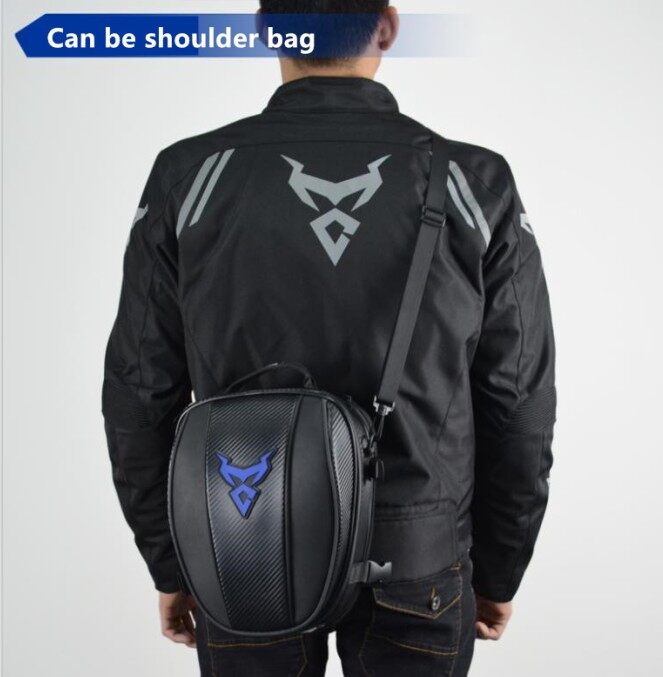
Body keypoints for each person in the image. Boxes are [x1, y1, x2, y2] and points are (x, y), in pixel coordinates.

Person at [102, 2, 556, 675]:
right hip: (419, 560)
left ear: (267, 30)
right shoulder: (472, 181)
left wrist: (175, 561)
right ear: (387, 25)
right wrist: (498, 569)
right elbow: (519, 402)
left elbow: (138, 393)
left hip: (241, 540)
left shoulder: (189, 176)